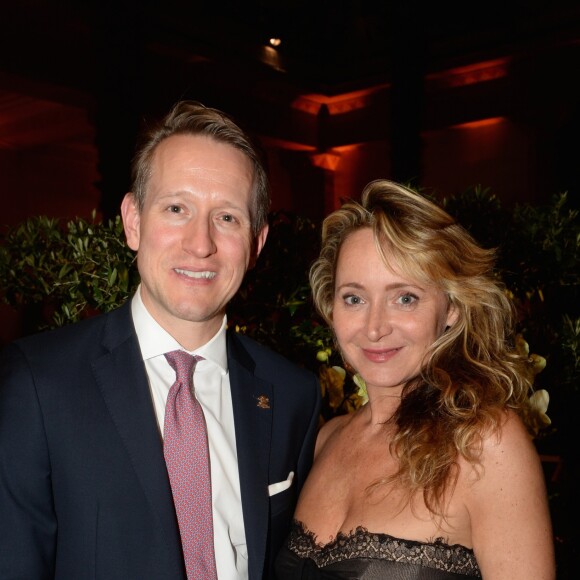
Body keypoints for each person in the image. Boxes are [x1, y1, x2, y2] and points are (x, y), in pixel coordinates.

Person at [0, 100, 321, 580]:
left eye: (227, 218)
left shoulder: (293, 395)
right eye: (177, 208)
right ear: (133, 221)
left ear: (257, 243)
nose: (201, 243)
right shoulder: (37, 384)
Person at [275, 179, 555, 579]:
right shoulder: (325, 439)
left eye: (404, 297)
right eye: (354, 298)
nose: (374, 328)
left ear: (452, 307)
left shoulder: (486, 443)